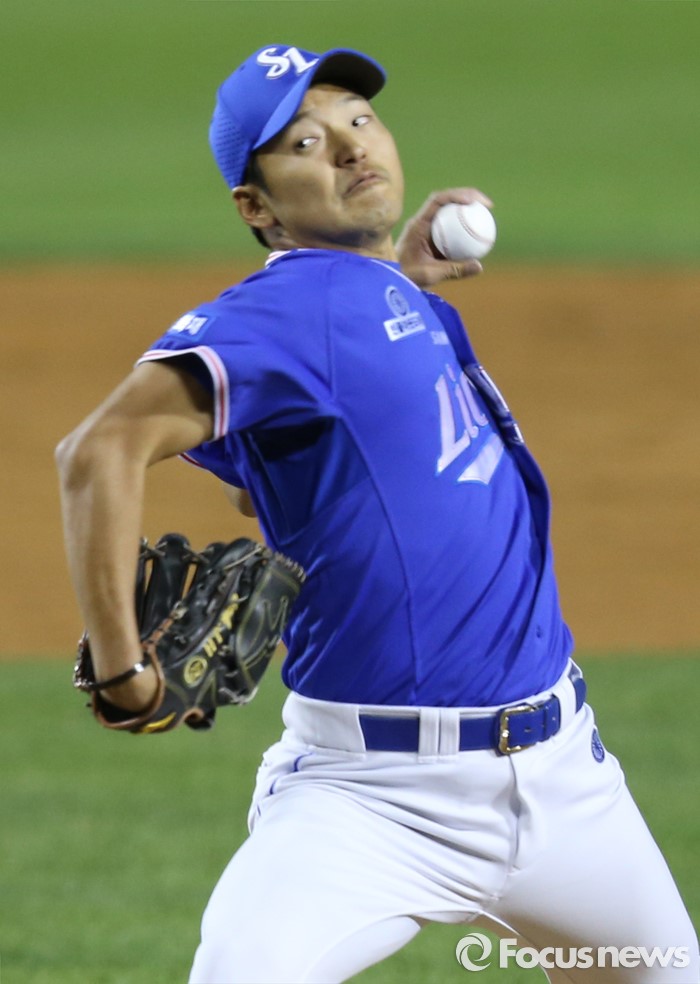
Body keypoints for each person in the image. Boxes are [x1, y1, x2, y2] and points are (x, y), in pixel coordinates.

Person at [56, 44, 698, 984]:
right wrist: (122, 674)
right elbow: (96, 451)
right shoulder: (285, 310)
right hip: (369, 800)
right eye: (306, 143)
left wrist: (399, 277)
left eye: (358, 120)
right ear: (257, 207)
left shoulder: (381, 294)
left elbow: (272, 481)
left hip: (567, 781)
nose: (352, 147)